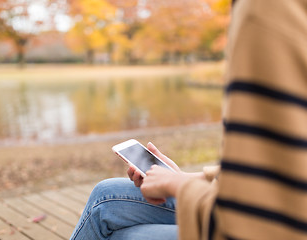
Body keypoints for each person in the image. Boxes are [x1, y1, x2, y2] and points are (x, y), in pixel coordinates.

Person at [70, 0, 307, 239]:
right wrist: (185, 177)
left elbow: (263, 215)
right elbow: (271, 163)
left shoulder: (267, 11)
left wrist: (177, 186)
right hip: (244, 200)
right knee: (106, 196)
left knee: (128, 236)